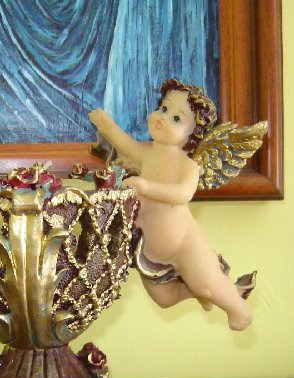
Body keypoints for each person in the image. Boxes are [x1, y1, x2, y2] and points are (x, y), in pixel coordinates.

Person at [88, 79, 253, 330]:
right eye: (163, 108)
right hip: (151, 250)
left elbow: (183, 194)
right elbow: (125, 145)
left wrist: (147, 187)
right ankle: (196, 290)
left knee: (206, 285)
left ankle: (239, 310)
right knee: (165, 300)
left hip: (186, 244)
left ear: (192, 134)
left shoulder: (188, 166)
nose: (162, 117)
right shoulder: (147, 155)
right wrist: (106, 124)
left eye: (176, 118)